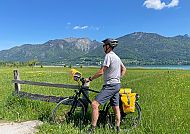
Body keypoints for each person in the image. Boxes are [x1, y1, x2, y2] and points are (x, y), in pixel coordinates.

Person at [86, 38, 126, 133]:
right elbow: (124, 69)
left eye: (104, 45)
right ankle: (117, 128)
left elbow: (102, 71)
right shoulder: (117, 57)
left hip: (110, 85)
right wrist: (118, 78)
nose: (103, 47)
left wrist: (90, 78)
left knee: (94, 104)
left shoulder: (108, 56)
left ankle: (92, 129)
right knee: (115, 107)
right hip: (117, 85)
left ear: (108, 46)